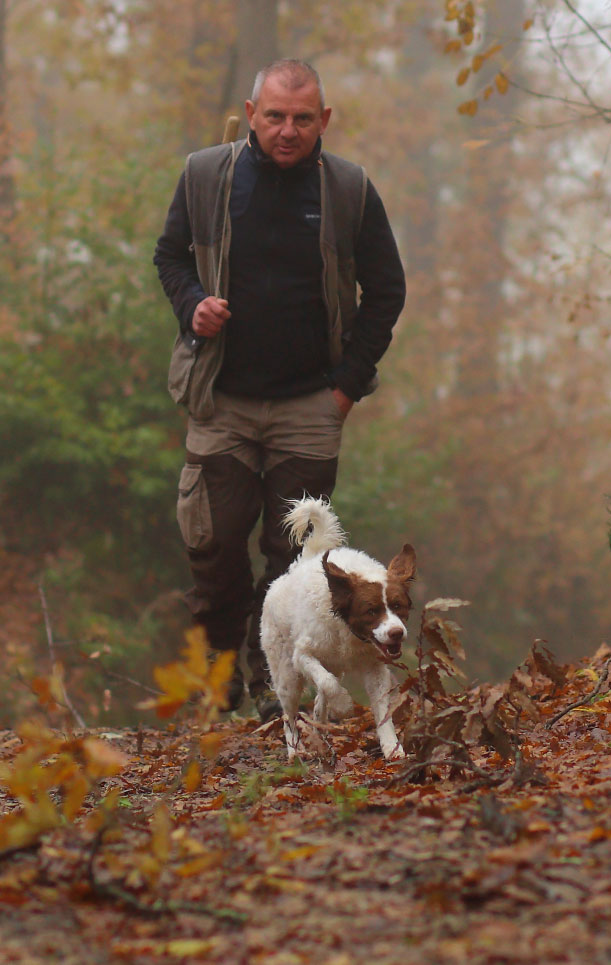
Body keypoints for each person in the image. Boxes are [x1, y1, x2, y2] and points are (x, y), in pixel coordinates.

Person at [153, 59, 406, 722]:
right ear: (251, 112)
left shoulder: (348, 189)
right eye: (275, 117)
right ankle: (216, 684)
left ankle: (275, 690)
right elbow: (170, 255)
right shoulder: (208, 175)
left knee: (292, 562)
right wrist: (193, 307)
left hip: (309, 405)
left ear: (323, 119)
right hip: (222, 399)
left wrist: (346, 388)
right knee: (214, 548)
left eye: (301, 118)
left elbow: (387, 291)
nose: (287, 130)